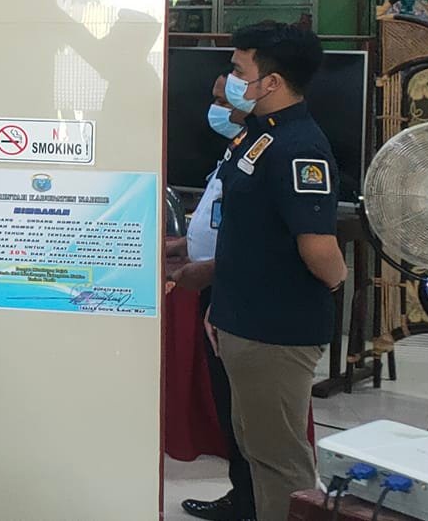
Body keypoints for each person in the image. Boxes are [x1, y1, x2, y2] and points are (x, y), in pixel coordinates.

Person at [208, 23, 347, 521]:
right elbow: (248, 234)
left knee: (280, 458)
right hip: (243, 318)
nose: (230, 79)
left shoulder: (299, 146)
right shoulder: (258, 133)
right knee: (255, 445)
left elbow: (319, 247)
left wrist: (337, 282)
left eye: (238, 69)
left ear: (271, 81)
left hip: (275, 328)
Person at [168, 75, 254, 521]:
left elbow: (266, 241)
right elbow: (219, 221)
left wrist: (206, 269)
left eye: (222, 99)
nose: (215, 108)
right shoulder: (237, 148)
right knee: (232, 411)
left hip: (243, 296)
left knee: (253, 419)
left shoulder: (269, 152)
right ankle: (243, 499)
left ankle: (262, 506)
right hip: (217, 291)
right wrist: (185, 247)